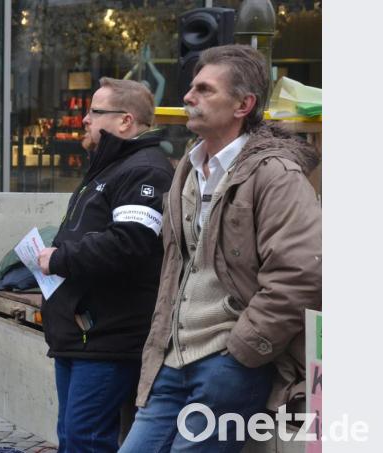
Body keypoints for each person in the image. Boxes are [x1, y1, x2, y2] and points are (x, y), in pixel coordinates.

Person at [119, 45, 322, 452]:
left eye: (204, 89)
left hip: (227, 364)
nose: (188, 97)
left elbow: (303, 272)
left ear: (243, 104)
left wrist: (242, 349)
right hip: (171, 361)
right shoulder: (188, 168)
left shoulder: (275, 174)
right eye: (192, 88)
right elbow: (179, 266)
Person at [36, 78, 174, 453]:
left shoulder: (145, 170)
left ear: (125, 121)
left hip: (108, 337)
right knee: (72, 436)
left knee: (87, 440)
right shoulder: (108, 167)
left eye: (95, 112)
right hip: (80, 334)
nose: (83, 119)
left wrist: (60, 258)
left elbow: (130, 242)